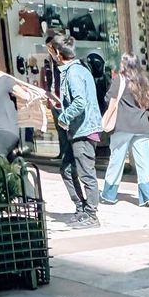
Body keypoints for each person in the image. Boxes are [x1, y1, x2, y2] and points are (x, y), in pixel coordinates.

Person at [51, 34, 103, 230]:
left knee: (86, 173)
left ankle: (91, 214)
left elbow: (80, 102)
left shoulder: (73, 72)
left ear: (58, 53)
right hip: (80, 130)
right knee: (67, 170)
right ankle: (81, 208)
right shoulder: (77, 69)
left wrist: (64, 117)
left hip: (84, 130)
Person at [101, 54, 149, 208]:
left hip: (123, 126)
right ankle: (148, 197)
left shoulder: (120, 79)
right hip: (142, 126)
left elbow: (109, 100)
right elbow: (148, 102)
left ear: (124, 64)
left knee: (116, 161)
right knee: (144, 163)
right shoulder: (143, 80)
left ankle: (109, 195)